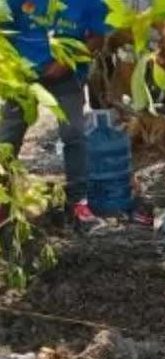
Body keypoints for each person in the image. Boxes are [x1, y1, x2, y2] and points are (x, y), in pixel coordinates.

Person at [1, 0, 109, 230]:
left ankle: (77, 203)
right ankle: (4, 201)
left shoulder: (90, 3)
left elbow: (97, 38)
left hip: (66, 74)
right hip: (22, 75)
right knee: (8, 137)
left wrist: (64, 63)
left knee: (74, 135)